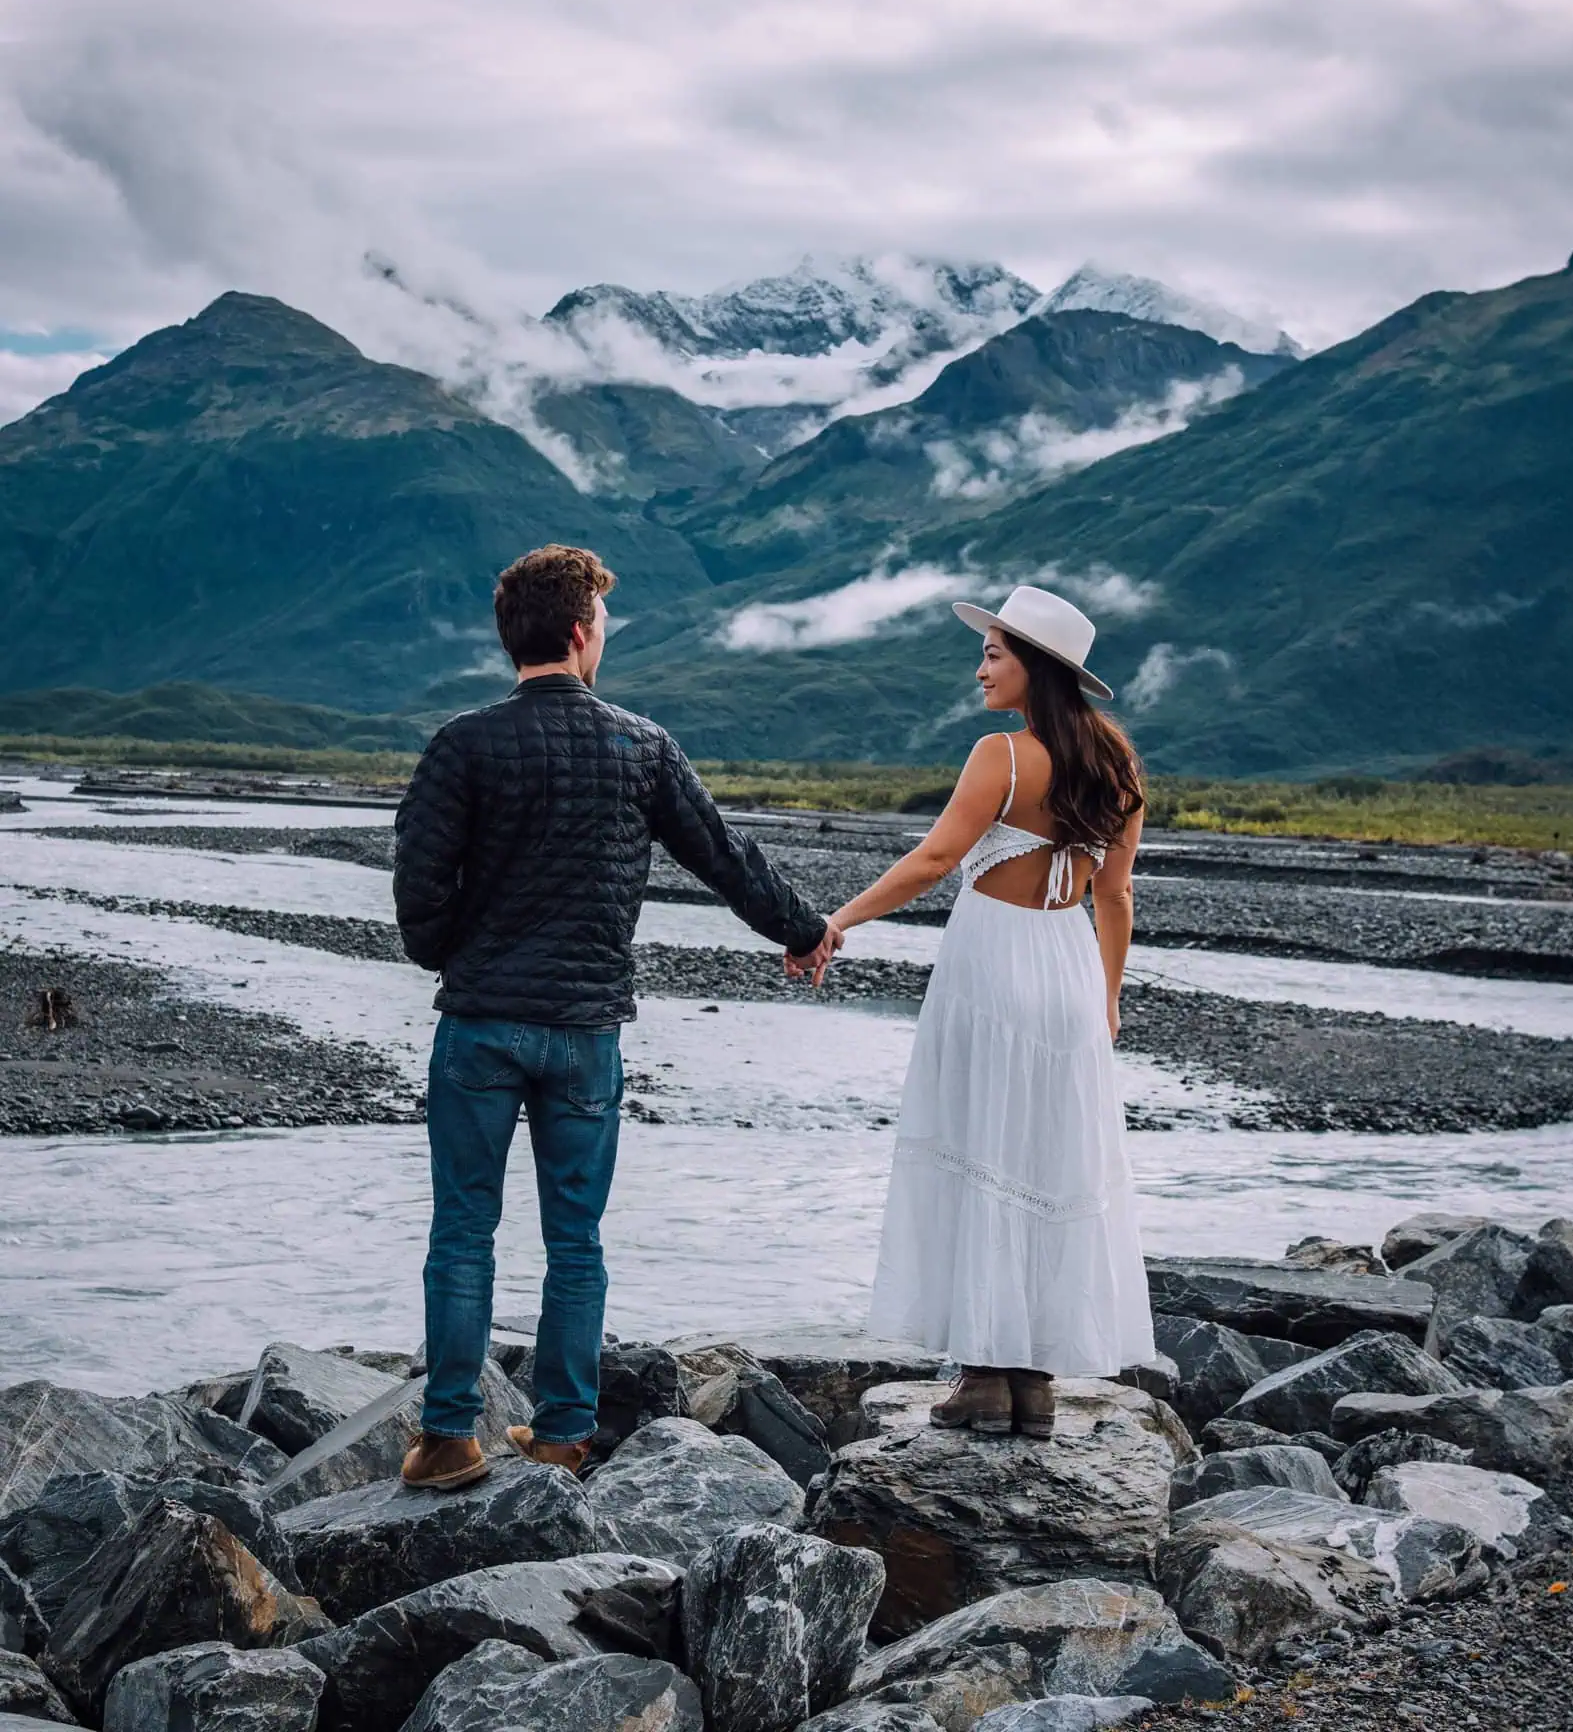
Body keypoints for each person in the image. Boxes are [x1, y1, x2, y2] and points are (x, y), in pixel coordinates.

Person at [392, 543, 839, 1488]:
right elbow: (725, 857)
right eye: (605, 621)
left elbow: (419, 901)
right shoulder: (642, 745)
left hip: (480, 1023)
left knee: (464, 1230)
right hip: (587, 1029)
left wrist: (461, 951)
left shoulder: (461, 743)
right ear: (582, 631)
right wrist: (801, 931)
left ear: (515, 636)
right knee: (576, 1239)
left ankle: (448, 1436)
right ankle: (560, 1431)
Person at [801, 584, 1155, 1437]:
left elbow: (932, 861)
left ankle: (984, 1376)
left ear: (1036, 667)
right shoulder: (1119, 767)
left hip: (992, 964)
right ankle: (1031, 1384)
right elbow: (1115, 898)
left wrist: (834, 922)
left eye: (994, 653)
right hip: (1069, 969)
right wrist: (1104, 1000)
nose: (980, 667)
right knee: (1045, 1161)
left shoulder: (1000, 756)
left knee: (979, 1146)